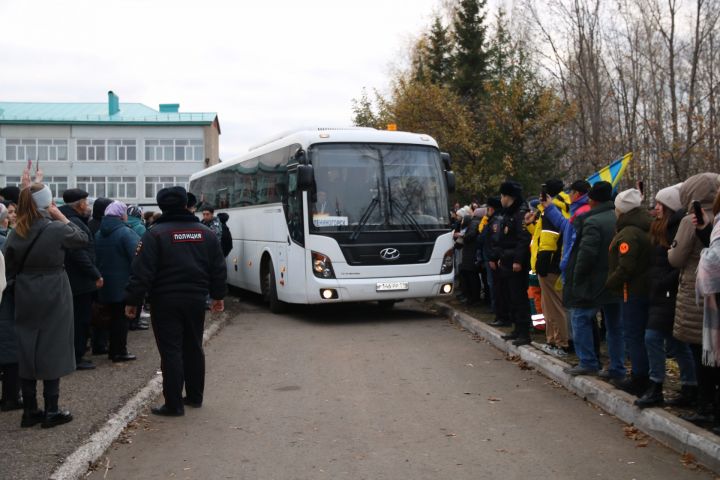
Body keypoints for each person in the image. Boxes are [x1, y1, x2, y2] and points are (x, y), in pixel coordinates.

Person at [125, 186, 227, 416]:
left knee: (171, 351)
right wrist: (218, 296)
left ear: (161, 207)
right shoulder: (206, 233)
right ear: (185, 204)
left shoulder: (154, 234)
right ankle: (194, 396)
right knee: (193, 347)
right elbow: (218, 269)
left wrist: (133, 301)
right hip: (195, 300)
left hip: (165, 301)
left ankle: (174, 404)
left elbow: (141, 272)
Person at [4, 183, 88, 428]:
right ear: (47, 202)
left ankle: (30, 410)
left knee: (27, 346)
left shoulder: (16, 230)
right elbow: (82, 238)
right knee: (54, 345)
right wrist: (62, 216)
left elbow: (8, 261)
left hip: (24, 289)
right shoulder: (55, 230)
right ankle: (52, 409)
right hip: (54, 287)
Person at [635, 184, 697, 408]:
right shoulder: (659, 227)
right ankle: (690, 385)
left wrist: (661, 282)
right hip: (659, 292)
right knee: (675, 341)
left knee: (653, 338)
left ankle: (657, 385)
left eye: (660, 203)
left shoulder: (680, 226)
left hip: (670, 292)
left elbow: (680, 262)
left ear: (671, 205)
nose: (656, 207)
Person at [669, 172, 720, 425]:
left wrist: (671, 248)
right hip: (713, 297)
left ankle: (705, 406)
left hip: (696, 293)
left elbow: (676, 258)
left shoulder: (691, 220)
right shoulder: (716, 217)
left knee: (701, 353)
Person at [562, 181, 625, 377]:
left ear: (592, 199)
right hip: (616, 279)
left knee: (580, 318)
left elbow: (586, 254)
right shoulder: (618, 218)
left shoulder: (592, 221)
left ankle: (588, 361)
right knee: (615, 326)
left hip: (594, 281)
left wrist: (576, 277)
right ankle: (617, 367)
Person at [605, 188, 652, 395]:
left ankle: (640, 378)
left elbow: (626, 267)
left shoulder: (629, 233)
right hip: (643, 288)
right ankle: (645, 375)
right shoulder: (644, 226)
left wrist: (610, 283)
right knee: (640, 335)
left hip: (632, 291)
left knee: (634, 335)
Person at [59, 188, 103, 371]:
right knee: (80, 320)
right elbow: (78, 253)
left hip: (75, 279)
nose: (88, 206)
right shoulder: (75, 222)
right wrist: (95, 274)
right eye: (86, 202)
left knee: (76, 319)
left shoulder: (70, 219)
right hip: (79, 281)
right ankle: (76, 357)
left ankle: (75, 355)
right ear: (79, 205)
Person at [528, 179, 571, 357]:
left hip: (551, 265)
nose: (540, 197)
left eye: (543, 193)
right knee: (551, 305)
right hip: (556, 263)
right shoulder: (562, 208)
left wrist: (542, 264)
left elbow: (548, 240)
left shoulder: (553, 211)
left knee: (553, 307)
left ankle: (560, 343)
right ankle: (554, 340)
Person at [487, 181, 532, 346]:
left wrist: (518, 260)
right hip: (506, 259)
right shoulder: (508, 213)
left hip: (515, 262)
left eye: (502, 196)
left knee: (519, 297)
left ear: (508, 196)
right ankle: (516, 329)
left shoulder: (521, 213)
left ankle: (524, 332)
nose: (501, 199)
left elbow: (523, 239)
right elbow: (503, 239)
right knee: (511, 297)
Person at [95, 201, 140, 362]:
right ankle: (119, 351)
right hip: (123, 283)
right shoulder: (126, 233)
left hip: (105, 283)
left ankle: (106, 347)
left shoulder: (99, 233)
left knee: (110, 317)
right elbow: (137, 258)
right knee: (121, 319)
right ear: (121, 215)